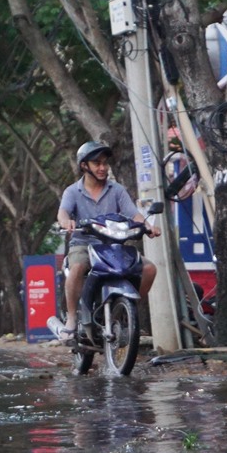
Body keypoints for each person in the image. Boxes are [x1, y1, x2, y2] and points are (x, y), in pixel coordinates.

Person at [57, 141, 162, 344]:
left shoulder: (117, 190)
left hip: (114, 247)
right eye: (97, 163)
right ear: (84, 165)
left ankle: (127, 313)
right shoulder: (72, 191)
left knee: (149, 269)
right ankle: (71, 318)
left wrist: (147, 226)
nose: (103, 168)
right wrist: (65, 221)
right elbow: (63, 212)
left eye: (105, 163)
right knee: (77, 266)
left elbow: (133, 214)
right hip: (84, 244)